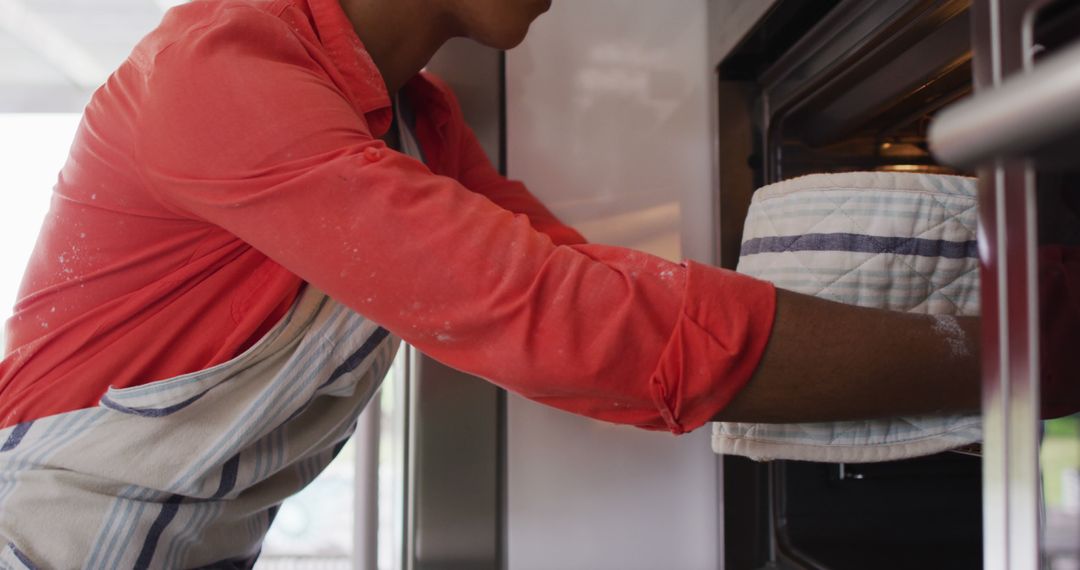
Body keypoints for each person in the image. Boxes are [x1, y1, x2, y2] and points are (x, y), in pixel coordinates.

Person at [0, 0, 982, 566]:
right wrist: (1013, 347)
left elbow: (578, 281)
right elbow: (576, 326)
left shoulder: (411, 121)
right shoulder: (215, 75)